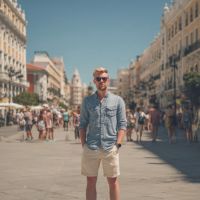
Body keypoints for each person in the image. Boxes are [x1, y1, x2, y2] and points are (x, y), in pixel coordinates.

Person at [79, 67, 127, 200]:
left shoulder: (118, 101)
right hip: (91, 147)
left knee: (113, 182)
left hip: (110, 147)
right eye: (98, 78)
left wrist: (118, 144)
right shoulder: (87, 101)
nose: (101, 81)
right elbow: (82, 124)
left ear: (108, 80)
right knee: (90, 181)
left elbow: (122, 124)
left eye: (104, 78)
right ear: (94, 81)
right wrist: (84, 145)